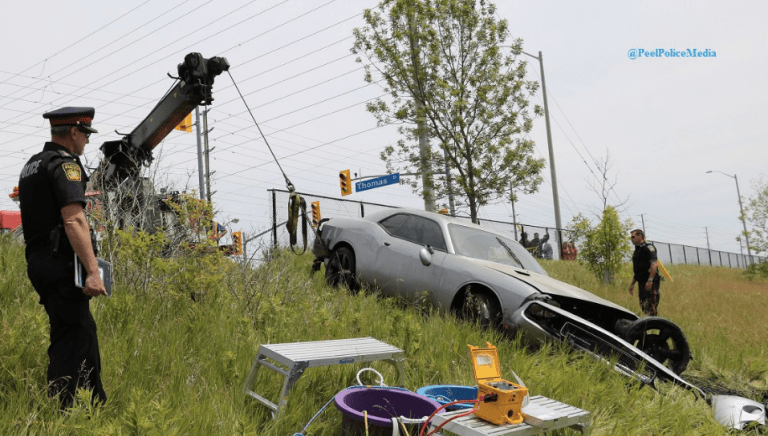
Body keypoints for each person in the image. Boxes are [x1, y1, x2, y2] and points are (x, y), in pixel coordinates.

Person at [18, 107, 108, 409]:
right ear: (73, 132)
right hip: (61, 264)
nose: (86, 141)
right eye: (85, 134)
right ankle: (70, 409)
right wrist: (93, 271)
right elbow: (74, 220)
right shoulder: (66, 164)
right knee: (74, 337)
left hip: (39, 261)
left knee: (74, 332)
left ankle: (84, 404)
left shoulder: (33, 165)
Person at [628, 229, 660, 316]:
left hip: (650, 280)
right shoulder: (637, 250)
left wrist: (650, 280)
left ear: (640, 236)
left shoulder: (649, 248)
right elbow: (638, 269)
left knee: (651, 304)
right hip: (641, 281)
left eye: (633, 237)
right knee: (643, 304)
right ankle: (649, 323)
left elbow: (654, 264)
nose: (632, 239)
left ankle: (655, 324)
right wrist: (632, 284)